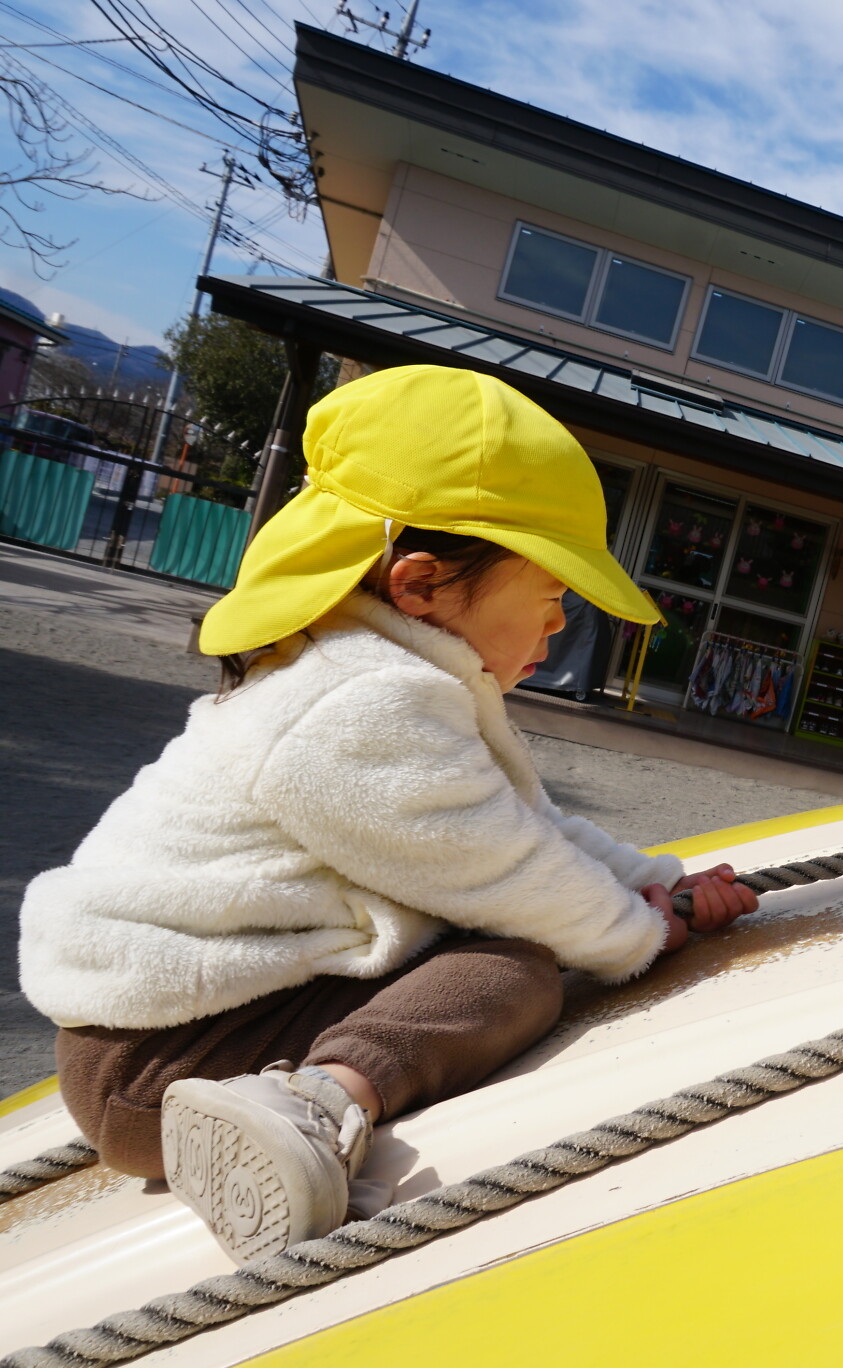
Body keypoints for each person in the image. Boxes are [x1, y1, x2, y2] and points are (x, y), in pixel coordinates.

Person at [17, 366, 758, 1266]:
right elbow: (506, 868)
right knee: (514, 970)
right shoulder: (358, 702)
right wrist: (636, 933)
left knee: (503, 946)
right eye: (551, 596)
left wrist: (659, 883)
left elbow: (524, 826)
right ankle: (316, 1103)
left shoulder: (376, 673)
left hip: (194, 1023)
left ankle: (308, 1083)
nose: (560, 625)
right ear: (420, 584)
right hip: (157, 1065)